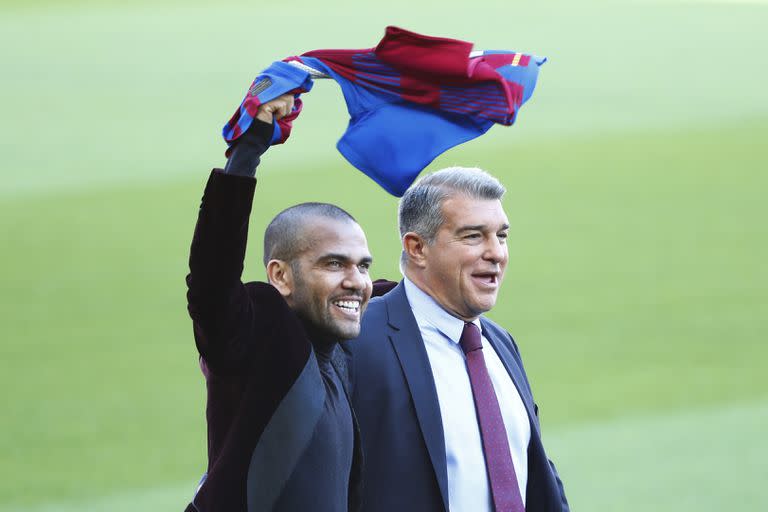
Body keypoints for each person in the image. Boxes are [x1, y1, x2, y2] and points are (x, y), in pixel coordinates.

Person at [184, 94, 372, 512]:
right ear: (281, 276)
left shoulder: (338, 339)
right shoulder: (257, 337)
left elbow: (407, 292)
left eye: (362, 266)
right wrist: (245, 157)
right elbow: (212, 284)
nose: (355, 282)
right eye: (334, 263)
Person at [345, 167, 570, 512]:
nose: (496, 253)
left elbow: (535, 472)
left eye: (502, 236)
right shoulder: (357, 341)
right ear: (417, 247)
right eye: (473, 236)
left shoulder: (499, 343)